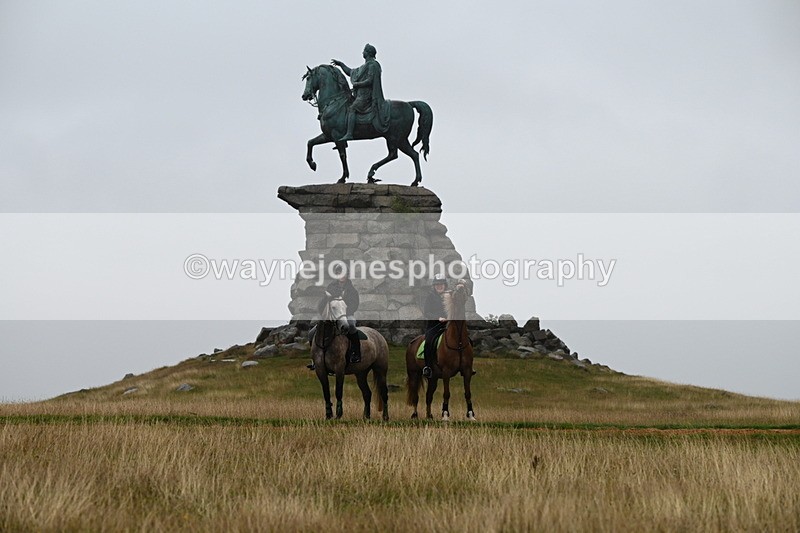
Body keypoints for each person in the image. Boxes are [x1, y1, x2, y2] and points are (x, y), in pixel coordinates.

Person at [331, 43, 391, 142]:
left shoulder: (373, 65)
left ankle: (349, 134)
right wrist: (341, 64)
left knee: (352, 108)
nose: (362, 52)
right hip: (359, 95)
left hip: (366, 96)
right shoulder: (363, 67)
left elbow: (370, 80)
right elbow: (351, 72)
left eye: (364, 51)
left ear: (368, 53)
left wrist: (358, 84)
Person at [422, 276, 448, 377]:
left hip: (448, 324)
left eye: (441, 284)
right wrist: (438, 318)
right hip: (434, 325)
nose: (439, 286)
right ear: (434, 286)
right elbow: (427, 312)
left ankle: (466, 365)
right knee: (428, 342)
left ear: (445, 285)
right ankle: (427, 367)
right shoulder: (430, 297)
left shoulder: (450, 296)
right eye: (437, 285)